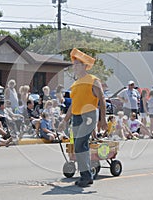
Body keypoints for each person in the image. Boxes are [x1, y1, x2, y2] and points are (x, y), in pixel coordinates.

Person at [58, 48, 107, 187]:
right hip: (77, 117)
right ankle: (86, 175)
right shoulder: (75, 85)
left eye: (78, 63)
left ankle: (86, 176)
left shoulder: (93, 80)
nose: (75, 66)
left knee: (80, 144)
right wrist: (64, 121)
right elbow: (73, 105)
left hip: (89, 115)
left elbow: (102, 99)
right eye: (74, 64)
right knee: (79, 145)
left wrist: (102, 119)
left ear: (85, 66)